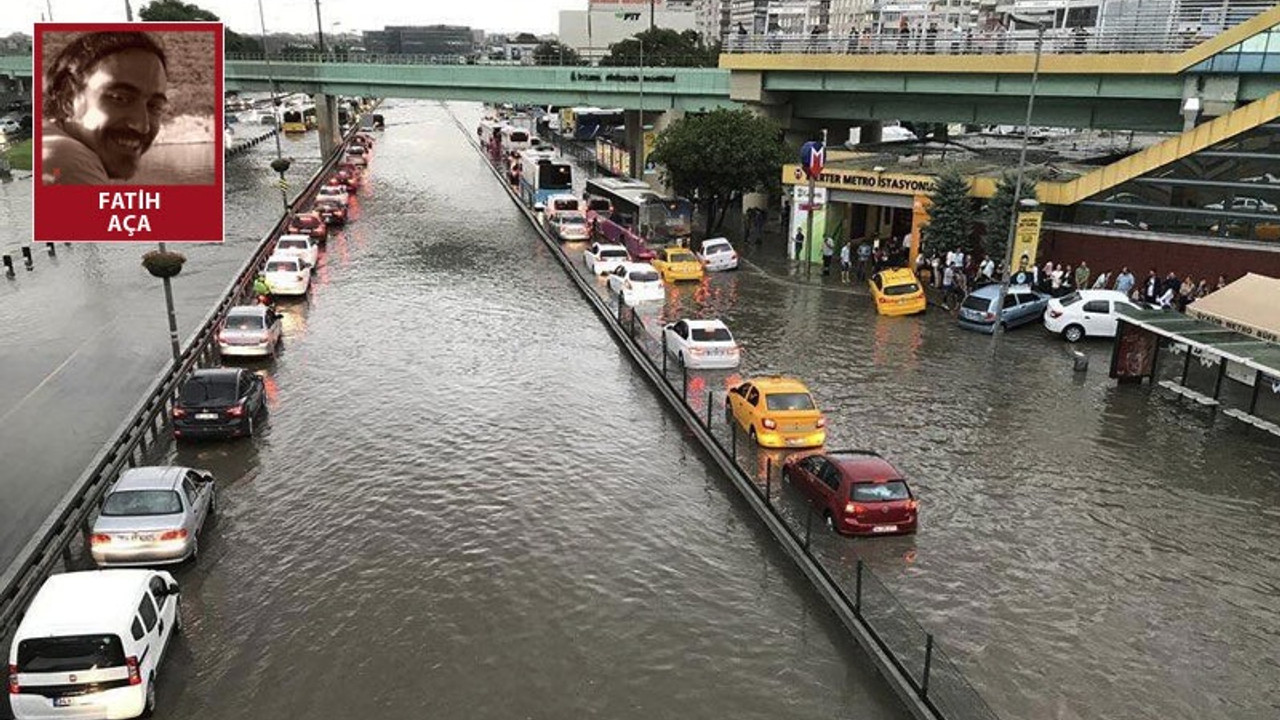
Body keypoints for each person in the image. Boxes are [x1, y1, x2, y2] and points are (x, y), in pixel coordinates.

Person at [42, 31, 170, 185]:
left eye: (155, 106)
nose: (142, 126)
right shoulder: (68, 162)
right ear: (68, 98)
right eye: (120, 98)